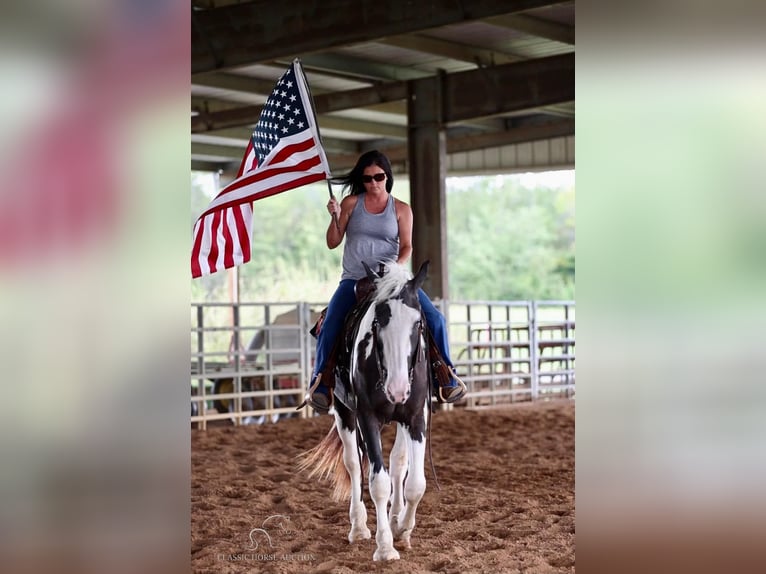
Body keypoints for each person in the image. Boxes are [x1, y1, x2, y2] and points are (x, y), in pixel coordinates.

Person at [305, 150, 466, 413]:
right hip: (355, 278)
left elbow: (407, 246)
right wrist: (333, 216)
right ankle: (321, 382)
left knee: (435, 319)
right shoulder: (350, 204)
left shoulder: (401, 209)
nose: (373, 183)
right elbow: (333, 242)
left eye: (378, 177)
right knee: (332, 319)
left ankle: (446, 374)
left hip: (392, 278)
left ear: (387, 177)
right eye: (367, 178)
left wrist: (396, 268)